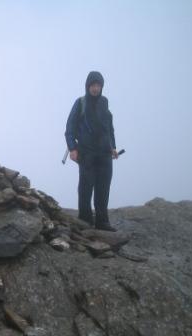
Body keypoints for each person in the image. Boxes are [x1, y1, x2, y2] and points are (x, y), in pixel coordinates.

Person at [65, 71, 118, 231]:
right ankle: (85, 221)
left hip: (104, 154)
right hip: (86, 153)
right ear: (88, 86)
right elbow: (70, 129)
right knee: (86, 188)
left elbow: (110, 129)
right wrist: (73, 148)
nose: (95, 88)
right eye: (93, 85)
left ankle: (102, 222)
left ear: (102, 87)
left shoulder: (105, 103)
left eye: (98, 85)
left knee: (103, 188)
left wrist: (113, 147)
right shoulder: (80, 103)